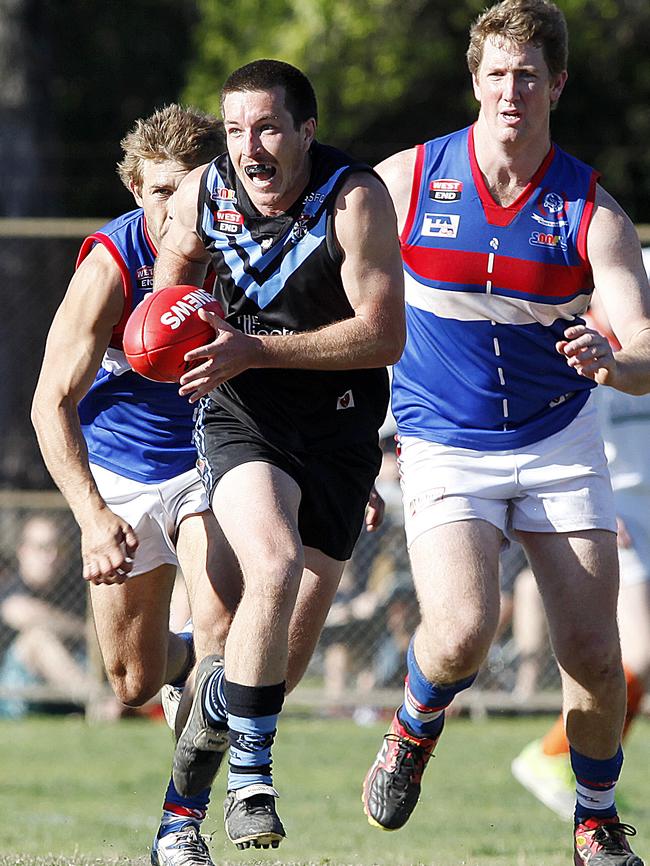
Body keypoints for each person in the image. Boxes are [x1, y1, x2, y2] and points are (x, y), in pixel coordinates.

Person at [360, 2, 649, 864]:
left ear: (557, 83)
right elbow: (337, 297)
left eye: (529, 74)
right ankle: (412, 731)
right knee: (461, 632)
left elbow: (645, 348)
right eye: (497, 73)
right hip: (442, 436)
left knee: (599, 654)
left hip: (558, 441)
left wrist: (612, 357)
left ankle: (594, 821)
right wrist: (347, 449)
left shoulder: (594, 213)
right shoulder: (405, 181)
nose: (512, 90)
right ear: (475, 80)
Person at [152, 59, 405, 850]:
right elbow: (176, 270)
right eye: (234, 130)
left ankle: (217, 714)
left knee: (272, 671)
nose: (248, 147)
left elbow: (382, 334)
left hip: (337, 432)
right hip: (242, 417)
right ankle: (244, 789)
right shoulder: (206, 191)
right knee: (274, 565)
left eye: (266, 128)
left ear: (306, 130)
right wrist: (176, 328)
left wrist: (254, 347)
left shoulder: (354, 198)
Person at [30, 105, 243, 866]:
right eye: (157, 191)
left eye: (187, 189)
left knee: (224, 627)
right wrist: (92, 517)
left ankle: (180, 826)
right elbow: (50, 400)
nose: (173, 206)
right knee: (133, 681)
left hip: (214, 455)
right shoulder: (110, 267)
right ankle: (187, 668)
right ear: (134, 190)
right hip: (121, 470)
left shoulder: (248, 248)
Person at [512, 271, 650, 822]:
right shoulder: (581, 345)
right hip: (619, 514)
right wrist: (604, 505)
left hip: (645, 508)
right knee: (637, 653)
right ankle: (554, 756)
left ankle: (585, 768)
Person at [0, 514, 94, 718]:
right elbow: (20, 612)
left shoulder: (74, 588)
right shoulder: (11, 587)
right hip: (15, 692)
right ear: (23, 551)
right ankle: (100, 705)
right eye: (42, 548)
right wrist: (86, 631)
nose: (51, 556)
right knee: (37, 638)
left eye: (58, 548)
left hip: (71, 681)